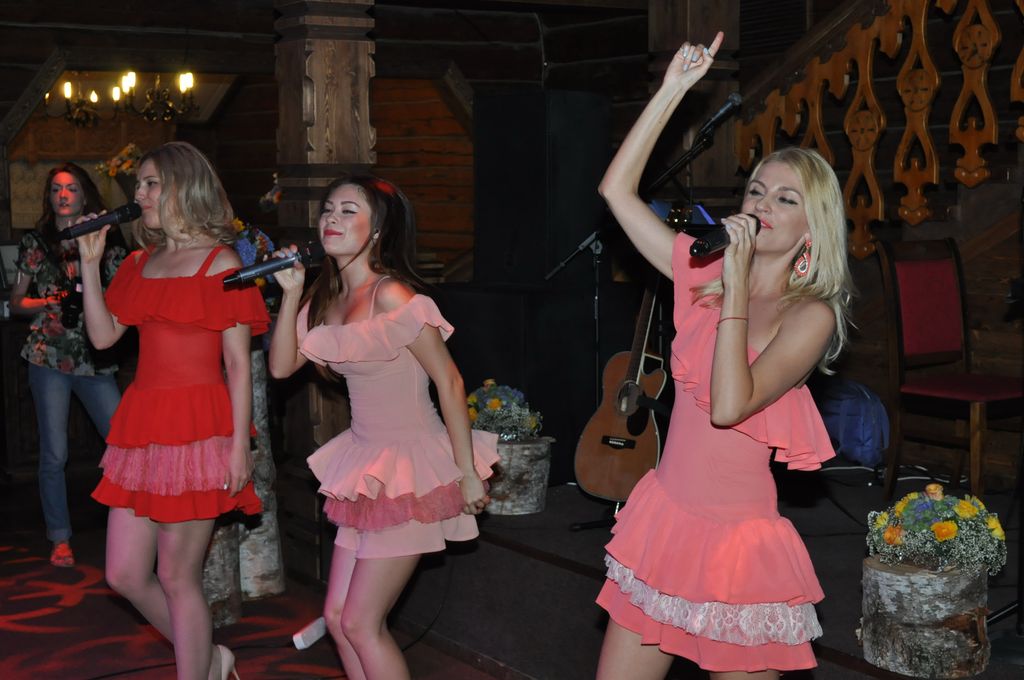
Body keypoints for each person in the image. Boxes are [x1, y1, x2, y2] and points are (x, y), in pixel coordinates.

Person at [594, 32, 853, 680]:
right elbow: (617, 192)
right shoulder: (702, 273)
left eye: (785, 199)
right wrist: (673, 91)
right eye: (757, 191)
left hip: (739, 548)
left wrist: (736, 284)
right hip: (666, 522)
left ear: (812, 229)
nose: (762, 205)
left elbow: (730, 406)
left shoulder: (809, 315)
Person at [268, 174, 498, 680]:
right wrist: (290, 295)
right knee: (337, 619)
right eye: (328, 209)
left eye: (348, 211)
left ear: (376, 231)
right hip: (366, 464)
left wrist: (467, 473)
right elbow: (281, 367)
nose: (332, 218)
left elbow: (450, 381)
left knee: (360, 622)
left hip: (411, 467)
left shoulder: (391, 295)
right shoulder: (324, 298)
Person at [77, 141, 268, 680]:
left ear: (184, 187)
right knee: (123, 574)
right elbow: (102, 337)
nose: (138, 194)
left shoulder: (222, 262)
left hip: (200, 429)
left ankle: (197, 669)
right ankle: (211, 660)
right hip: (142, 428)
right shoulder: (139, 262)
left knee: (178, 576)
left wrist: (239, 447)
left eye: (150, 183)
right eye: (139, 184)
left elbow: (238, 364)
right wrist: (89, 265)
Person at [11, 162, 127, 568]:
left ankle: (132, 525)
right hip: (48, 355)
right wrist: (48, 303)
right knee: (54, 454)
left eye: (72, 188)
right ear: (49, 197)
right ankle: (60, 538)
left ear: (85, 195)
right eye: (56, 189)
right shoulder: (36, 242)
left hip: (95, 356)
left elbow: (125, 296)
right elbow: (17, 302)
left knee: (123, 442)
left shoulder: (107, 239)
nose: (63, 195)